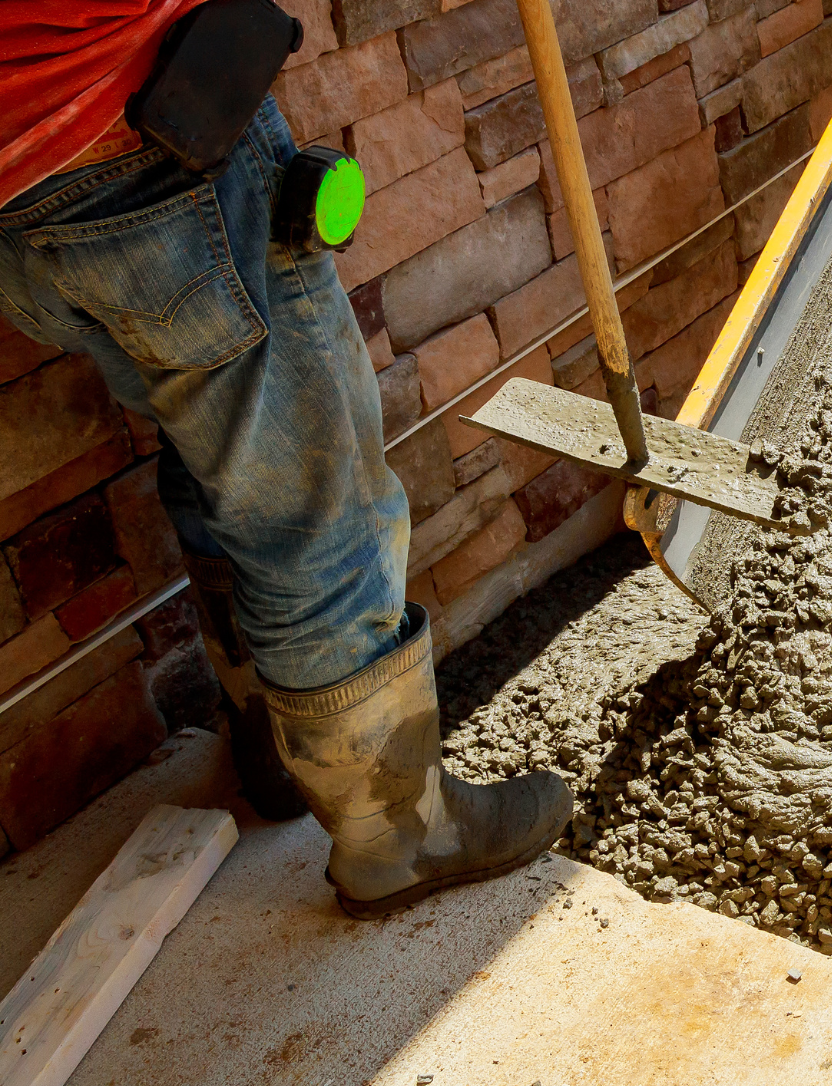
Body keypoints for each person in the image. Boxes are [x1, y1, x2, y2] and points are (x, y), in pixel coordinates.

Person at [0, 0, 572, 918]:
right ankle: (399, 837)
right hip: (145, 140)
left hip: (25, 193)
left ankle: (272, 747)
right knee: (317, 512)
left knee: (220, 453)